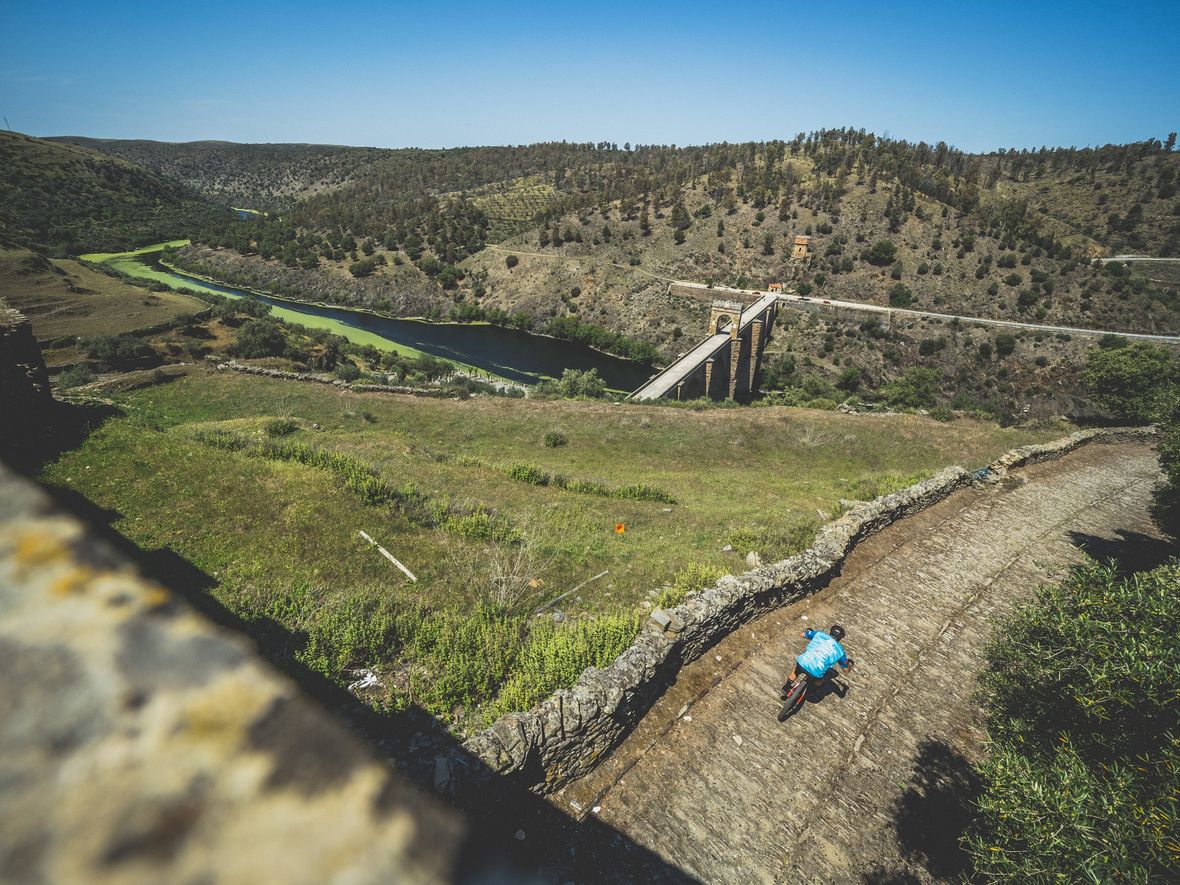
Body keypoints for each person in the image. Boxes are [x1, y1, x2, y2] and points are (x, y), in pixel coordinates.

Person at [780, 624, 853, 699]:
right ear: (841, 637)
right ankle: (809, 693)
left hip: (803, 662)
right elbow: (845, 669)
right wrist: (849, 665)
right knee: (819, 681)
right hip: (817, 671)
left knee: (796, 671)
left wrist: (811, 634)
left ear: (830, 631)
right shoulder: (840, 652)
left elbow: (802, 635)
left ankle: (786, 687)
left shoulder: (819, 634)